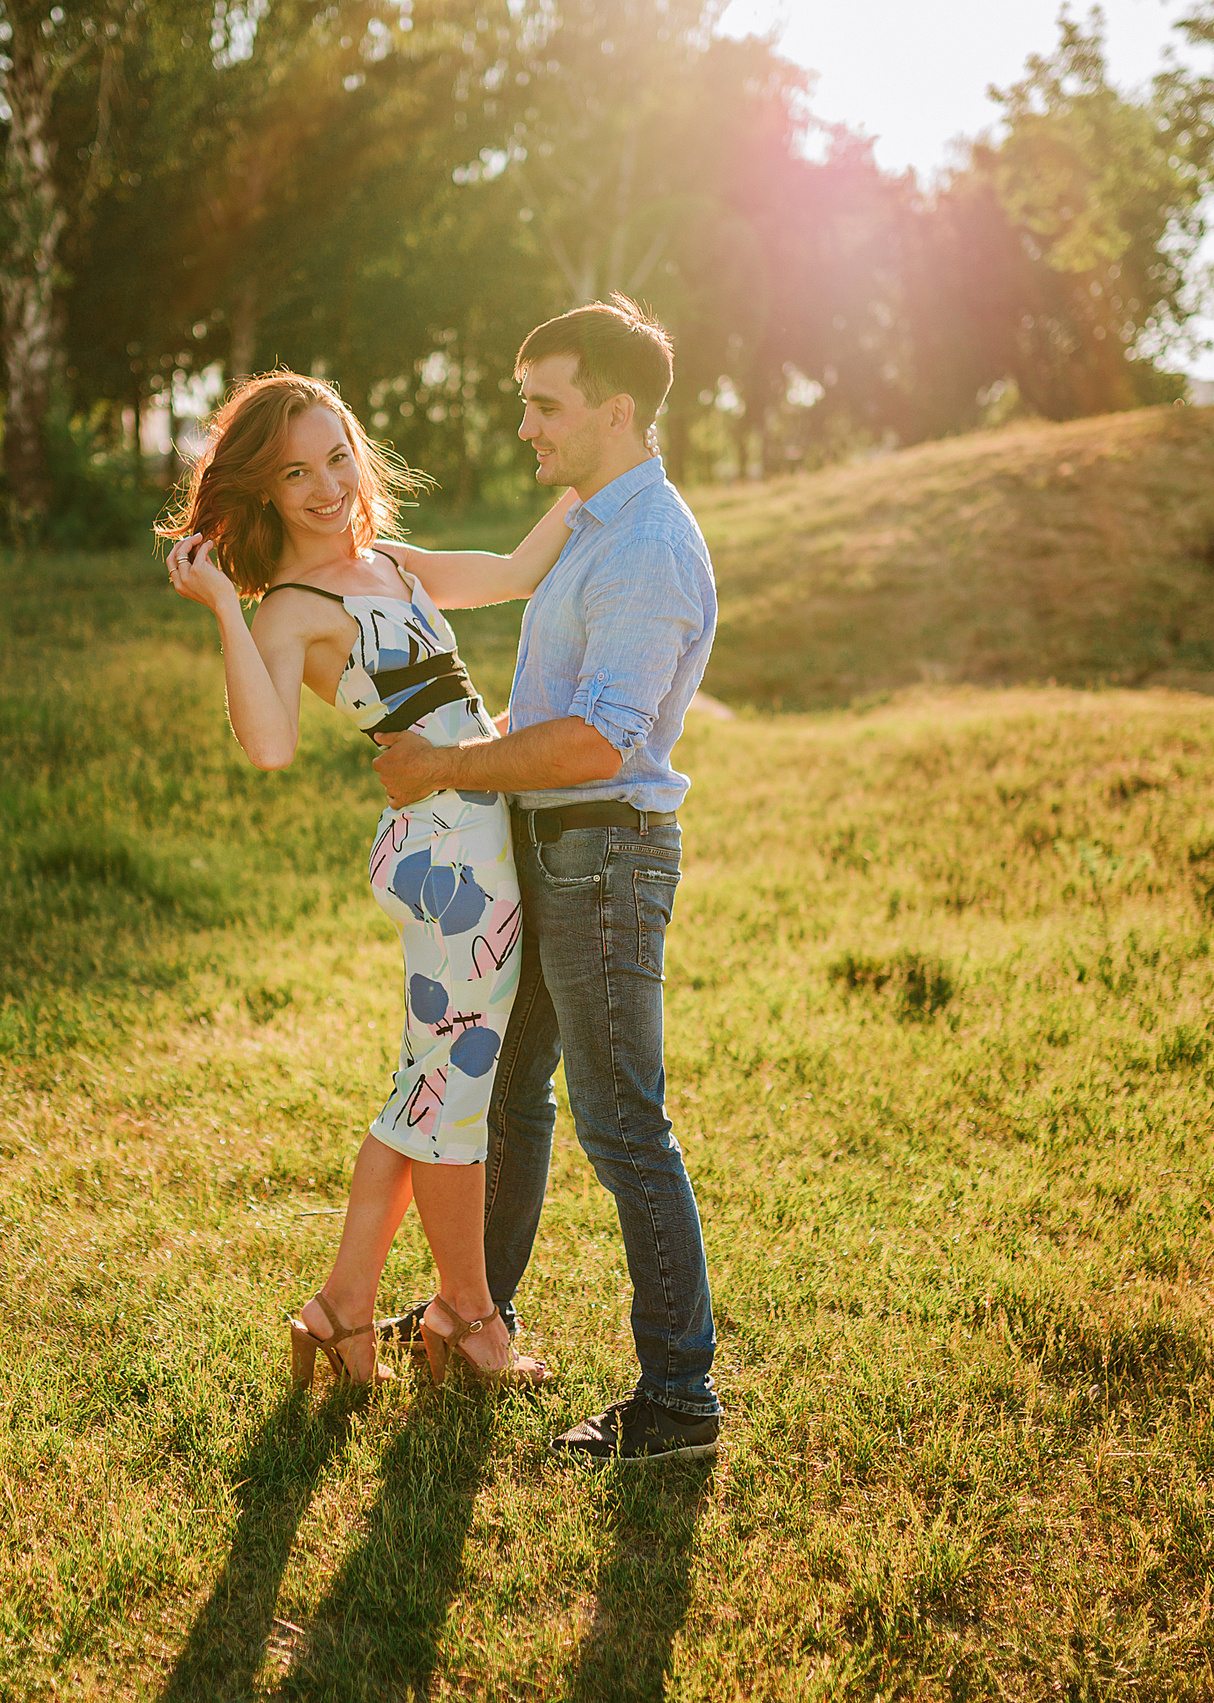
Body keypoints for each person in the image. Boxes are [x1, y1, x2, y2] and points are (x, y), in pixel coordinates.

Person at [159, 371, 576, 1389]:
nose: (324, 484)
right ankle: (471, 1321)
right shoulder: (292, 608)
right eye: (293, 471)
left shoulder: (390, 562)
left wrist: (603, 464)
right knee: (452, 1099)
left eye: (337, 455)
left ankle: (342, 1310)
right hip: (450, 866)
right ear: (258, 488)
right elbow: (266, 746)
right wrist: (220, 599)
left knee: (423, 1089)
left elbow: (519, 568)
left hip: (471, 831)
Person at [369, 297, 724, 1463]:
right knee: (508, 1095)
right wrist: (340, 556)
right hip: (550, 848)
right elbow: (537, 669)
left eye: (544, 404)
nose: (526, 426)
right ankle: (478, 1319)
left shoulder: (649, 548)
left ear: (616, 411)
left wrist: (444, 764)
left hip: (603, 853)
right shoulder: (586, 520)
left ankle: (678, 1401)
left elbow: (598, 743)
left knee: (622, 1126)